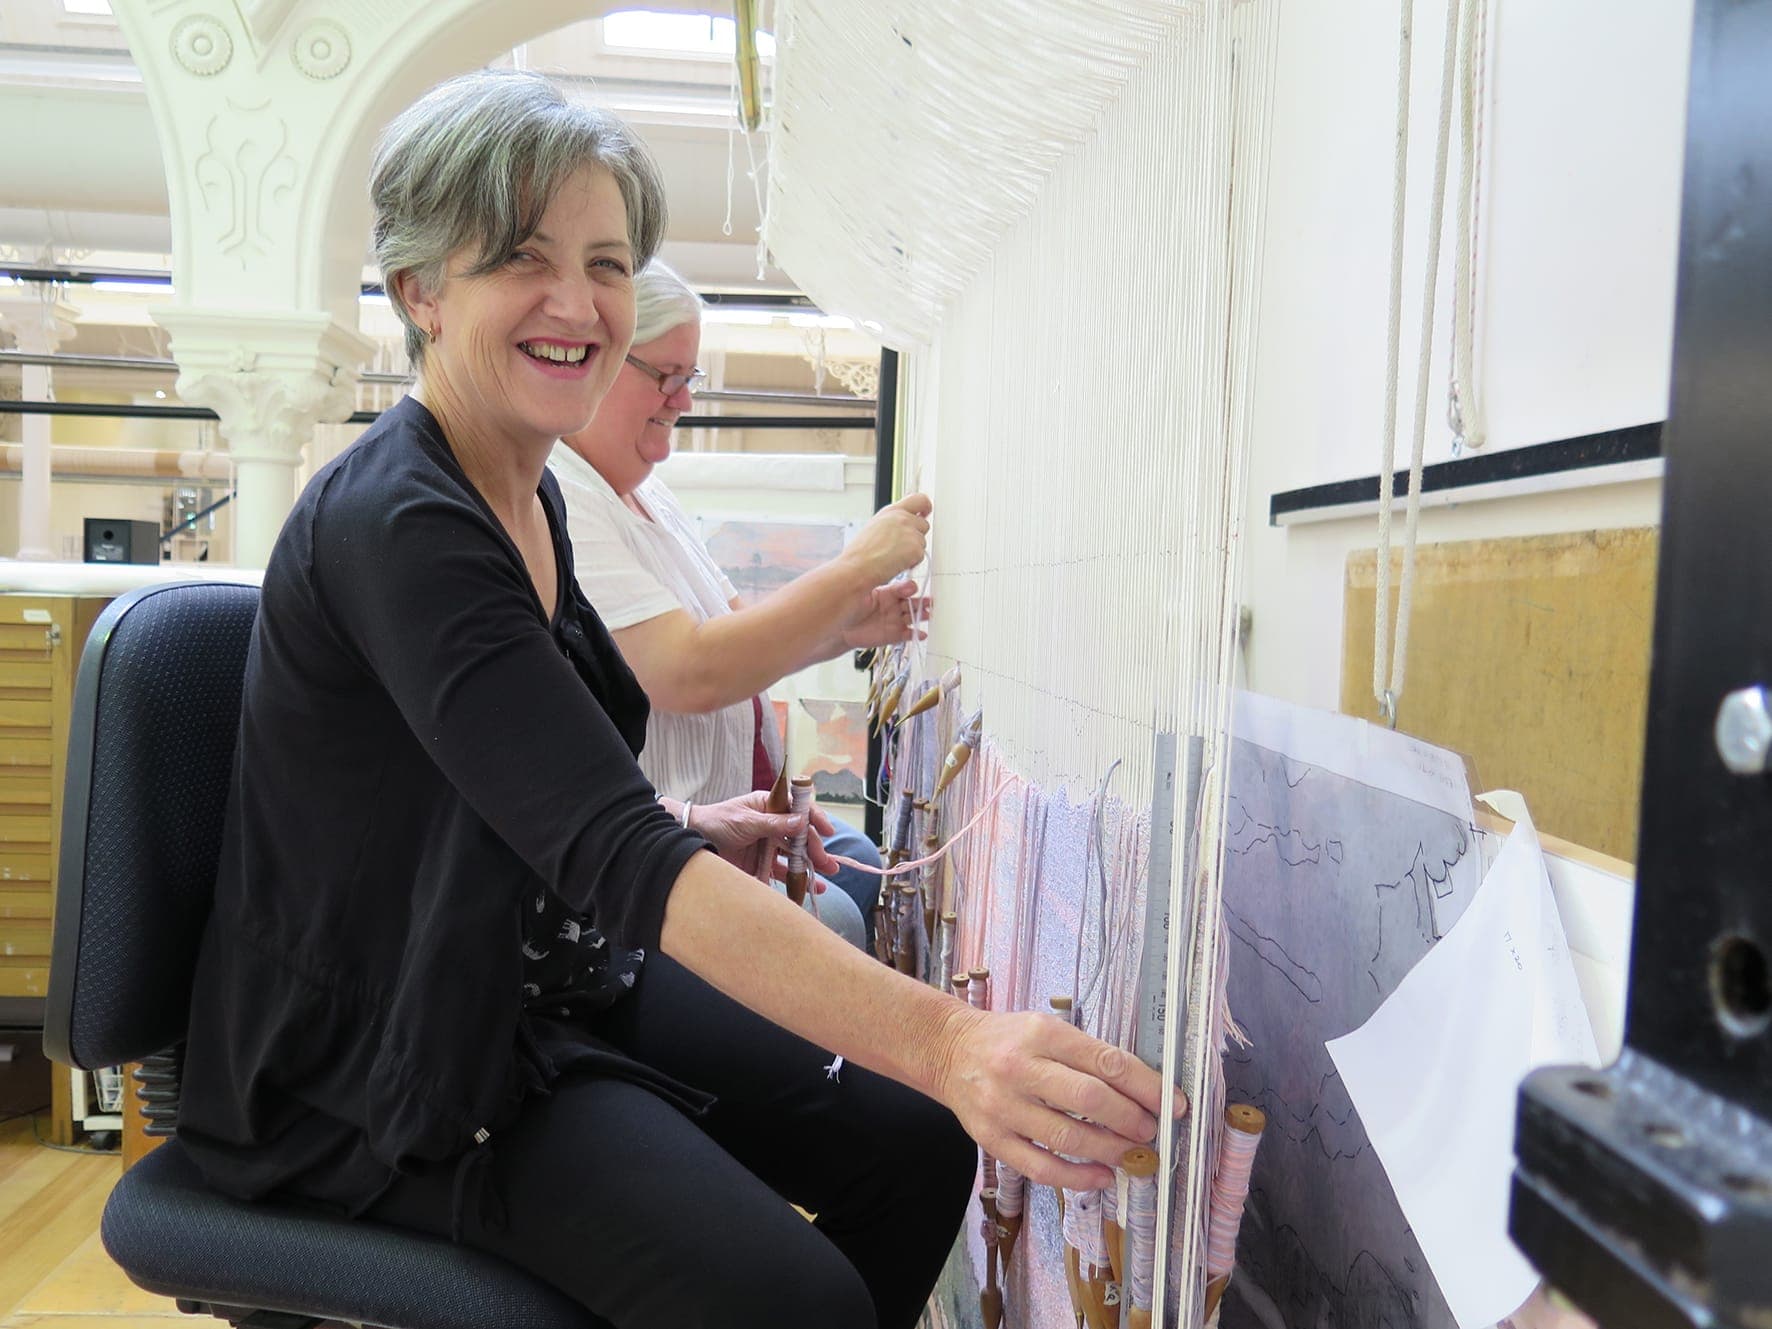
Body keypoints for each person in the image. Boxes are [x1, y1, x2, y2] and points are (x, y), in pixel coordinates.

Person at [175, 69, 1174, 1329]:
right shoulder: (402, 523)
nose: (576, 303)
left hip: (526, 974)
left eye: (604, 262)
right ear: (421, 292)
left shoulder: (522, 491)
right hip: (386, 1062)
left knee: (915, 1148)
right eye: (519, 259)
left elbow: (512, 778)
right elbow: (610, 846)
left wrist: (696, 831)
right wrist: (956, 1044)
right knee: (789, 1294)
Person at [549, 259, 923, 951]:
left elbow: (733, 637)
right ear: (599, 366)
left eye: (688, 379)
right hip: (663, 850)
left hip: (719, 818)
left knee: (864, 867)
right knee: (842, 914)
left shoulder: (648, 495)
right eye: (665, 375)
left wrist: (843, 628)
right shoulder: (567, 501)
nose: (682, 399)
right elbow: (690, 671)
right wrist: (852, 571)